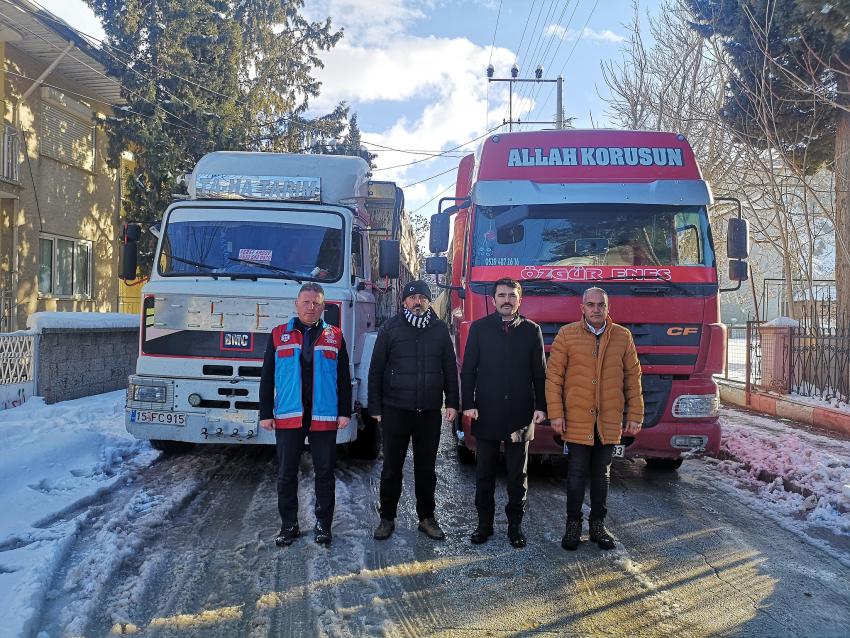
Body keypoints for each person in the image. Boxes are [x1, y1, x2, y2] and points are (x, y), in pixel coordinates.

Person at [545, 286, 643, 551]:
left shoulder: (623, 337)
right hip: (576, 418)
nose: (596, 309)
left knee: (602, 475)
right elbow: (554, 378)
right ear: (582, 308)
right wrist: (556, 413)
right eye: (591, 305)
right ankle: (573, 526)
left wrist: (635, 414)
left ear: (607, 308)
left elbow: (633, 379)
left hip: (609, 419)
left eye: (601, 305)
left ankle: (598, 525)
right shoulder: (567, 335)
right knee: (576, 474)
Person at [259, 283, 351, 547]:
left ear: (323, 307)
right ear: (296, 304)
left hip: (324, 416)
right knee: (286, 473)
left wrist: (344, 411)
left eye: (316, 303)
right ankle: (289, 526)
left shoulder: (335, 335)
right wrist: (265, 412)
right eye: (306, 302)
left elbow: (343, 378)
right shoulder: (278, 335)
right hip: (289, 415)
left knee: (325, 473)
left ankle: (324, 525)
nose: (311, 307)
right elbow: (267, 377)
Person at [369, 279, 459, 541]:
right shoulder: (390, 329)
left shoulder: (440, 330)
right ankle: (387, 518)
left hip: (429, 411)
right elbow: (376, 370)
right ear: (404, 302)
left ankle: (427, 518)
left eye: (422, 297)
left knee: (426, 469)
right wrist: (375, 406)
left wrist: (452, 402)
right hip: (395, 410)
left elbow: (450, 369)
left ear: (428, 301)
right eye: (412, 298)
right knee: (391, 468)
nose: (417, 302)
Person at [461, 278, 546, 548]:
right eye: (501, 295)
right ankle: (483, 526)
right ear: (494, 299)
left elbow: (540, 374)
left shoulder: (532, 331)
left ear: (519, 299)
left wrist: (542, 406)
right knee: (484, 474)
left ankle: (515, 526)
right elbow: (468, 370)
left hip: (520, 415)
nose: (506, 300)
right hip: (486, 412)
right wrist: (468, 403)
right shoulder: (479, 329)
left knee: (517, 477)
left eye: (512, 295)